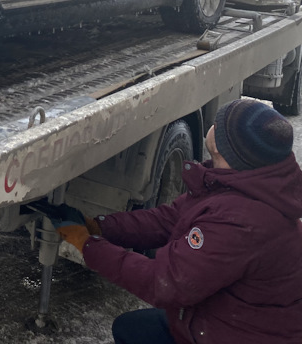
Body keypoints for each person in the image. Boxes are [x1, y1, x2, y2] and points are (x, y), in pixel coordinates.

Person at [54, 98, 302, 344]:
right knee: (131, 328)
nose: (213, 124)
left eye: (219, 123)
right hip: (223, 318)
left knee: (135, 332)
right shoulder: (234, 183)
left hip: (237, 334)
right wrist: (101, 227)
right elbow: (167, 220)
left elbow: (164, 283)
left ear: (222, 146)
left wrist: (88, 245)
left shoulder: (241, 220)